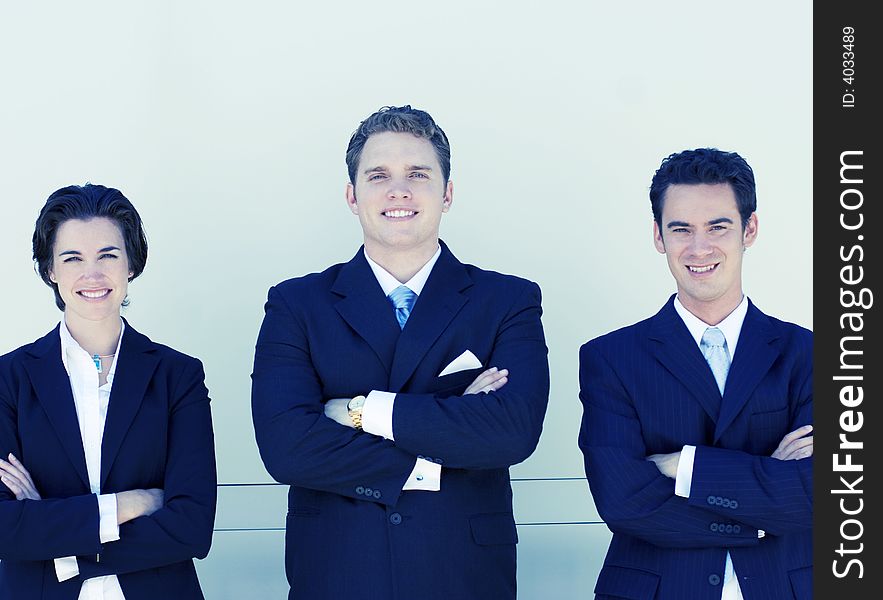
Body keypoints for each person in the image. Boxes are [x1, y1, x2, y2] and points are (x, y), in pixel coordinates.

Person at [251, 105, 550, 600]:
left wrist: (360, 412)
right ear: (352, 195)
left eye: (418, 174)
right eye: (379, 176)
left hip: (463, 576)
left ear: (447, 192)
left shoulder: (507, 301)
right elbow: (286, 448)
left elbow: (511, 433)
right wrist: (446, 433)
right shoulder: (296, 304)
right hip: (339, 572)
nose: (399, 191)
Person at [578, 148, 812, 600]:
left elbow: (818, 495)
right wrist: (762, 507)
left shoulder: (809, 354)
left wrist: (680, 465)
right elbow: (623, 500)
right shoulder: (611, 358)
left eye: (718, 227)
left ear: (750, 229)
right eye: (681, 229)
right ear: (658, 236)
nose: (699, 248)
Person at [0, 184, 217, 599]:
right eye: (72, 258)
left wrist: (58, 541)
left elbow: (192, 527)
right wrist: (125, 506)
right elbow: (4, 529)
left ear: (130, 264)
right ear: (50, 270)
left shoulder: (178, 376)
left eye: (108, 255)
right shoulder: (9, 379)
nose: (92, 274)